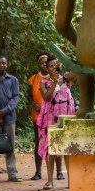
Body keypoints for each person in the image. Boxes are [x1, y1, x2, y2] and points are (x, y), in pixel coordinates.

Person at [38, 54, 77, 190]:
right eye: (51, 66)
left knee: (67, 149)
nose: (54, 68)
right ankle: (49, 180)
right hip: (50, 119)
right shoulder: (43, 83)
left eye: (56, 65)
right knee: (50, 149)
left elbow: (77, 70)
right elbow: (46, 97)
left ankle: (70, 182)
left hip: (66, 119)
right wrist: (54, 82)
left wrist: (65, 61)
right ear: (47, 69)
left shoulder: (66, 78)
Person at [27, 53, 64, 181]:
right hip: (38, 115)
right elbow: (29, 95)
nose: (44, 65)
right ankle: (38, 172)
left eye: (46, 63)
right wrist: (33, 104)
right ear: (39, 65)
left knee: (56, 141)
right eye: (42, 63)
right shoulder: (34, 79)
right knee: (39, 142)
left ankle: (59, 171)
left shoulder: (55, 78)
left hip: (53, 114)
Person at [0, 56, 20, 183]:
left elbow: (15, 98)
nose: (1, 65)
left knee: (10, 146)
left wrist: (3, 112)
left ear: (7, 65)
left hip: (9, 117)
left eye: (4, 63)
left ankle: (13, 174)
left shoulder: (13, 80)